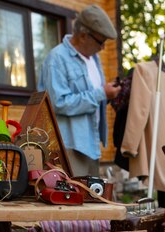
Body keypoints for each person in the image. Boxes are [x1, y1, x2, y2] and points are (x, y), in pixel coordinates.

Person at [38, 5, 121, 177]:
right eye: (101, 42)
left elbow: (92, 97)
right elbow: (59, 103)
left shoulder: (94, 59)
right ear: (83, 36)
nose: (103, 48)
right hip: (69, 146)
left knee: (90, 199)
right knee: (72, 199)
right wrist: (101, 94)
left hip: (90, 144)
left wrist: (110, 95)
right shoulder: (57, 59)